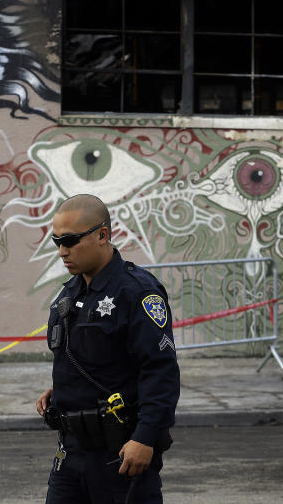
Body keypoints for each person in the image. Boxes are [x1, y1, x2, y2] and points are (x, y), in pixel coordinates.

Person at [36, 194, 180, 504]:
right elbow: (93, 358)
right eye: (57, 241)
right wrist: (62, 389)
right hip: (71, 452)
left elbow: (160, 371)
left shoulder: (137, 292)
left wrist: (144, 438)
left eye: (71, 241)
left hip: (119, 453)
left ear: (102, 235)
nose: (62, 251)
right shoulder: (70, 293)